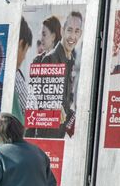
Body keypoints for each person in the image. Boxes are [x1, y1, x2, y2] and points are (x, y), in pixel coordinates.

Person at [31, 11, 83, 139]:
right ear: (62, 30)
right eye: (69, 30)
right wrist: (54, 105)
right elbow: (36, 96)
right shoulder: (51, 58)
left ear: (80, 34)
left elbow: (66, 101)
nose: (73, 36)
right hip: (47, 136)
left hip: (59, 135)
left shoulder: (70, 60)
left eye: (77, 31)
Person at [12, 17, 33, 126]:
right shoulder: (15, 76)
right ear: (20, 44)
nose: (24, 57)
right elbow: (31, 109)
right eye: (25, 51)